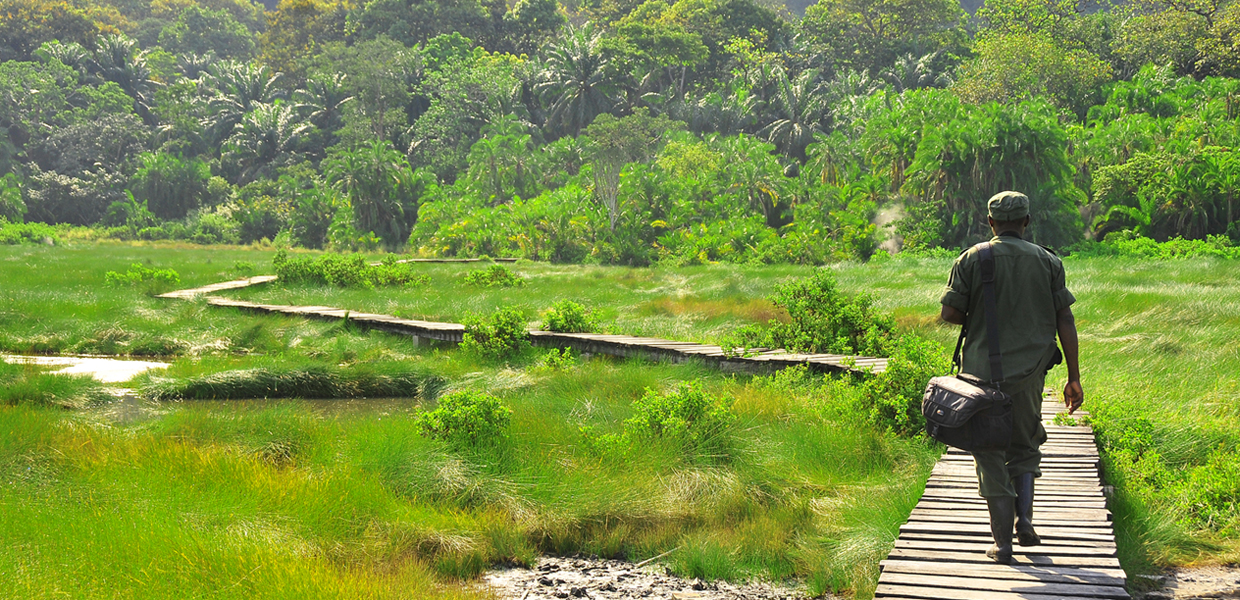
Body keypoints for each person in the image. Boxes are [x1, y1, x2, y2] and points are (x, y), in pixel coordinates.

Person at [938, 191, 1083, 564]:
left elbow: (950, 313)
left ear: (990, 223)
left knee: (988, 450)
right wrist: (1073, 376)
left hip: (982, 375)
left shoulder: (972, 258)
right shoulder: (1049, 262)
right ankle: (1026, 520)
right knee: (1025, 443)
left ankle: (1002, 544)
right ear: (1026, 222)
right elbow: (1065, 318)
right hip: (1031, 374)